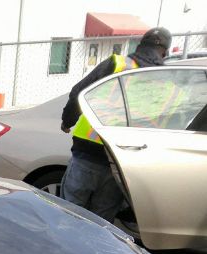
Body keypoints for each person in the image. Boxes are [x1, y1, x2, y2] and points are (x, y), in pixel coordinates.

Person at [59, 27, 171, 222]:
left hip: (87, 152)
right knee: (101, 223)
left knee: (68, 214)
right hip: (121, 162)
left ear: (140, 45)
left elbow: (79, 92)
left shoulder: (117, 64)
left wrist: (67, 120)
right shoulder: (167, 82)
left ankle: (63, 251)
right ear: (165, 52)